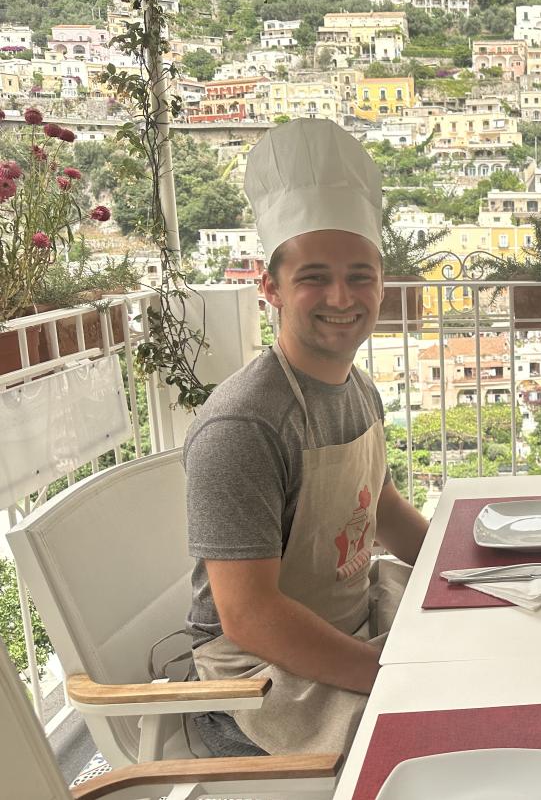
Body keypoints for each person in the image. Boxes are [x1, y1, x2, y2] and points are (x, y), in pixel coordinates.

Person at [185, 118, 428, 757]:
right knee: (448, 737)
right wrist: (394, 680)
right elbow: (249, 616)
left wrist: (470, 571)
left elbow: (381, 509)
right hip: (262, 685)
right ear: (270, 288)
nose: (342, 297)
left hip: (348, 626)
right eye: (314, 276)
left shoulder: (357, 388)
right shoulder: (243, 425)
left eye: (360, 275)